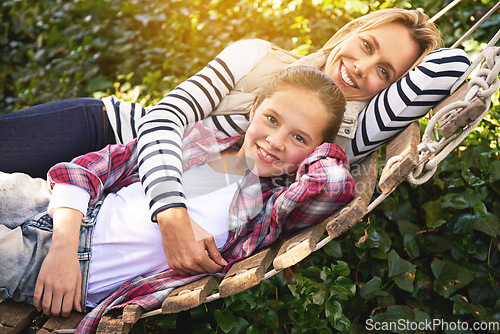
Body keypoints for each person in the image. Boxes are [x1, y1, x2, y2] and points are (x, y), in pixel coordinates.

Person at [0, 8, 470, 273]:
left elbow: (450, 67)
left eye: (384, 72)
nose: (362, 68)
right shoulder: (256, 55)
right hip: (108, 135)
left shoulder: (338, 137)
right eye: (368, 46)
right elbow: (164, 118)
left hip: (107, 209)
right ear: (354, 31)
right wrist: (172, 215)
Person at [0, 67, 355, 326]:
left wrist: (322, 151)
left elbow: (334, 182)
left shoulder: (267, 209)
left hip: (65, 268)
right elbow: (89, 170)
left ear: (317, 149)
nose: (276, 141)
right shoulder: (197, 138)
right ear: (254, 108)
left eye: (299, 138)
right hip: (56, 208)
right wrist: (63, 245)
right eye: (272, 119)